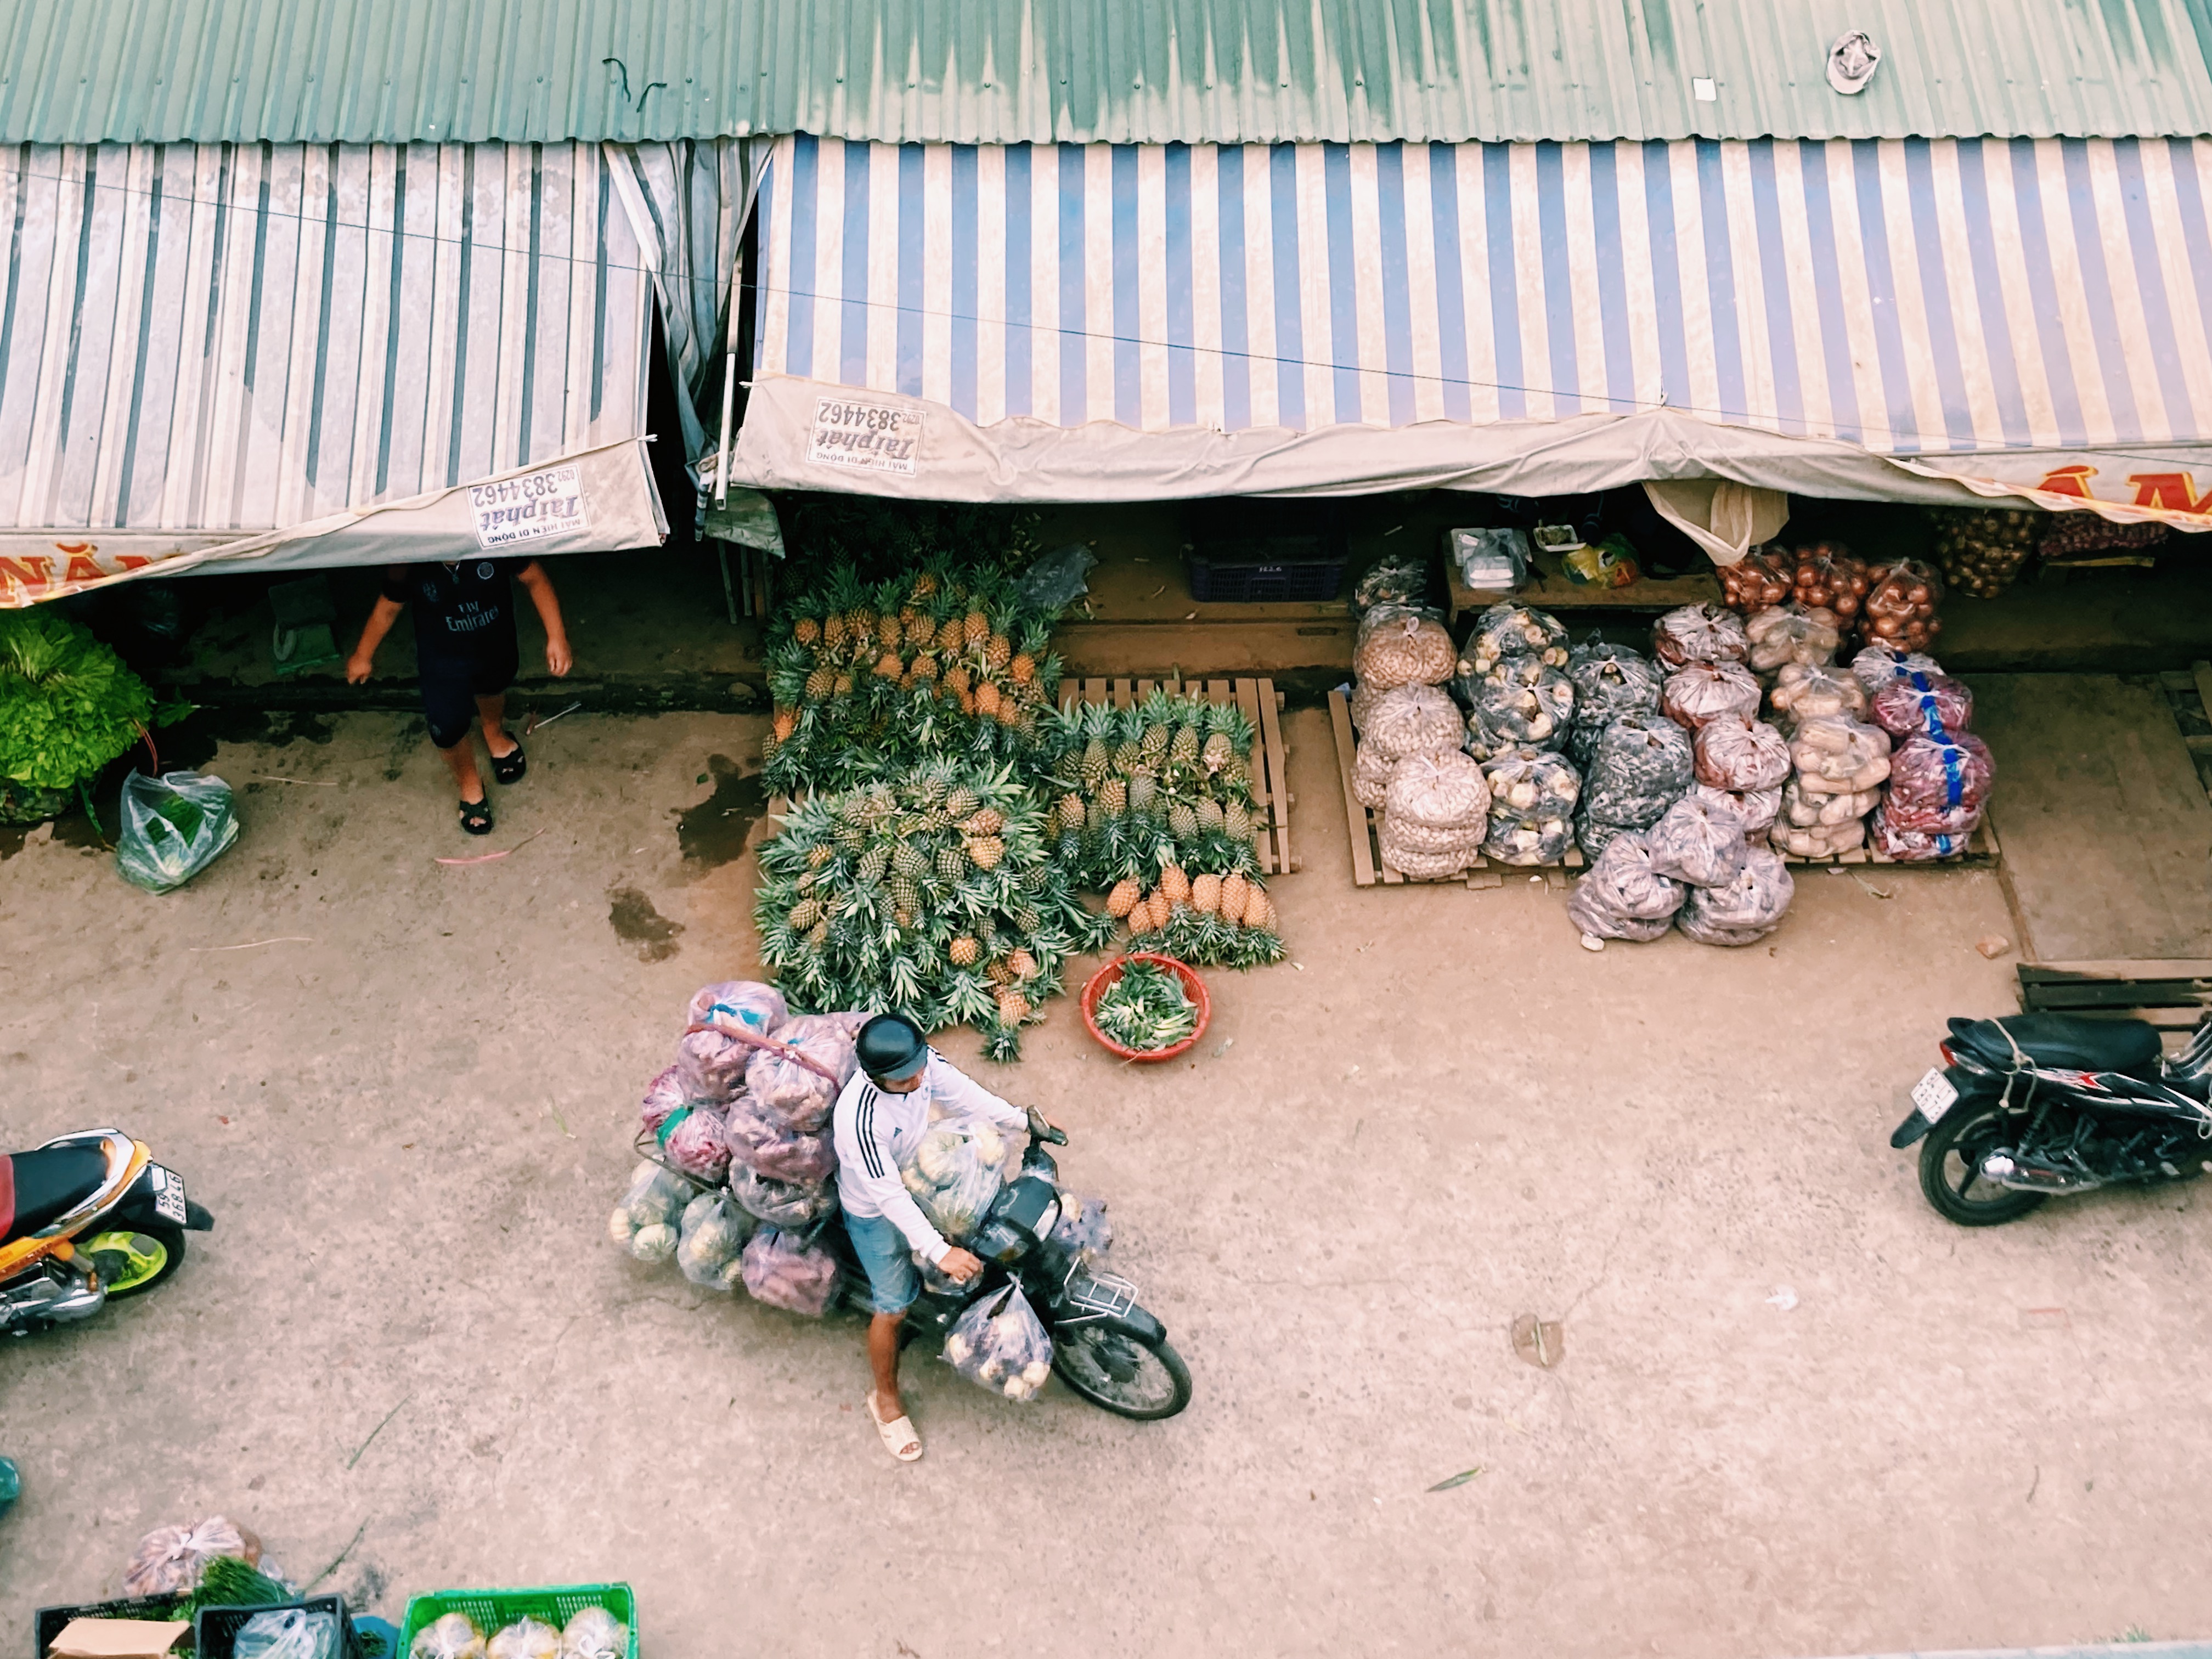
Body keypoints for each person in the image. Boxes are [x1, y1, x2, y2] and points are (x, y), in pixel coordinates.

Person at [832, 1012, 1028, 1463]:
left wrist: (1022, 1121)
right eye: (905, 1080)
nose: (919, 1080)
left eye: (920, 1069)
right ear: (875, 1078)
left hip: (919, 1174)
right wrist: (939, 1251)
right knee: (894, 1307)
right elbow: (888, 1196)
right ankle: (885, 1400)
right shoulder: (860, 1120)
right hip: (874, 1209)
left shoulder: (919, 1063)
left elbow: (965, 1095)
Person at [346, 557, 572, 834]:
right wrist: (363, 654)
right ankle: (469, 782)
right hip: (442, 662)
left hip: (495, 645)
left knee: (494, 686)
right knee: (447, 727)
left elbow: (534, 577)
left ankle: (494, 733)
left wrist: (557, 636)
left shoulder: (493, 540)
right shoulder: (409, 557)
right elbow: (390, 604)